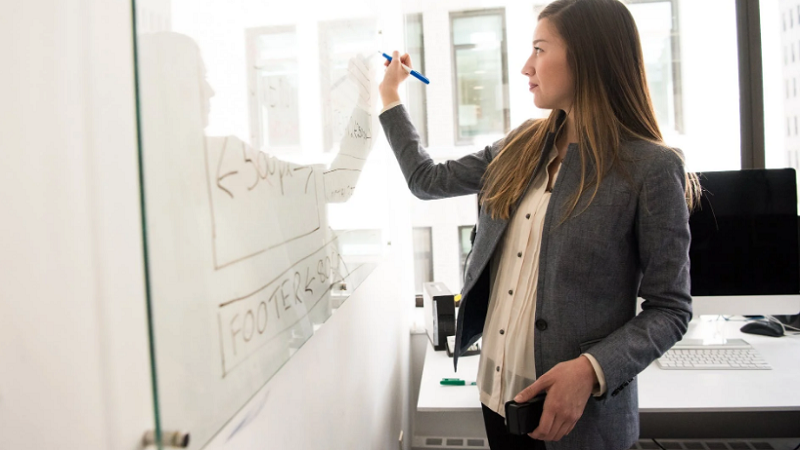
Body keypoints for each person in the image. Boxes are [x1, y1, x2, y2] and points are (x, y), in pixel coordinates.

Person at [378, 0, 699, 448]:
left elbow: (671, 309)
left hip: (577, 419)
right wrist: (391, 96)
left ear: (588, 58)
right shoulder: (520, 145)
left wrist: (590, 370)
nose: (527, 66)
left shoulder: (650, 168)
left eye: (540, 49)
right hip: (496, 397)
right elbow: (426, 180)